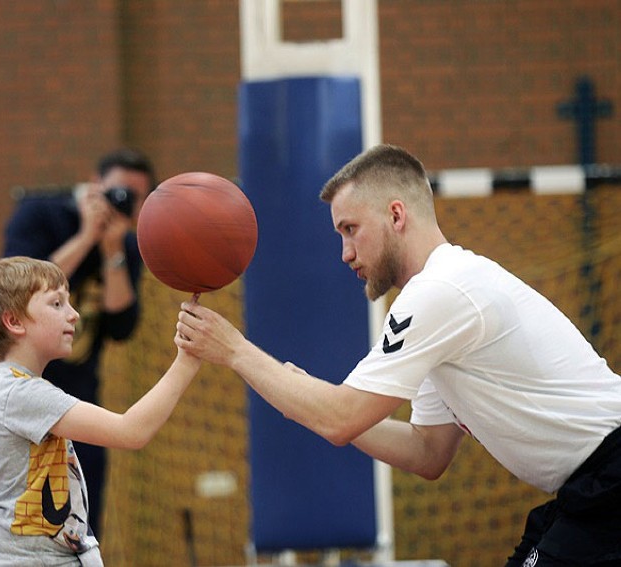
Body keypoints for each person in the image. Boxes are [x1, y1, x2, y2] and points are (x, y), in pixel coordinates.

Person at [175, 144, 621, 566]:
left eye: (351, 229)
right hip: (590, 491)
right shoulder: (442, 302)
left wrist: (234, 350)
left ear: (395, 214)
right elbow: (428, 452)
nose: (346, 253)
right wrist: (310, 405)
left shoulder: (438, 291)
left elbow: (340, 419)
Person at [0, 256, 199, 566]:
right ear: (14, 322)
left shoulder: (8, 383)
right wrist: (188, 359)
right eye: (57, 304)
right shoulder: (22, 393)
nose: (74, 315)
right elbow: (131, 431)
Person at [0, 148, 156, 539]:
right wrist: (87, 236)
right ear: (95, 185)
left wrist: (110, 250)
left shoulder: (124, 244)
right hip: (29, 377)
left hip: (76, 388)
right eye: (118, 192)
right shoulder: (42, 214)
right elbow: (14, 290)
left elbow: (122, 325)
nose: (72, 314)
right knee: (27, 507)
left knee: (83, 511)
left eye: (136, 198)